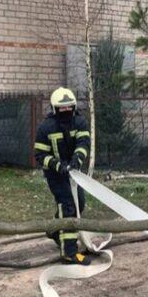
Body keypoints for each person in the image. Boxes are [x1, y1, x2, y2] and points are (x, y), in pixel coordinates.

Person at [33, 87, 92, 265]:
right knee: (68, 206)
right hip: (55, 175)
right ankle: (69, 253)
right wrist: (58, 165)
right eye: (62, 108)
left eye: (69, 107)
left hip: (74, 173)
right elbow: (40, 155)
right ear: (54, 108)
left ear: (74, 107)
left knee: (79, 203)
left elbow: (84, 143)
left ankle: (54, 230)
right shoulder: (45, 128)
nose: (66, 111)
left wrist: (76, 160)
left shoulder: (80, 122)